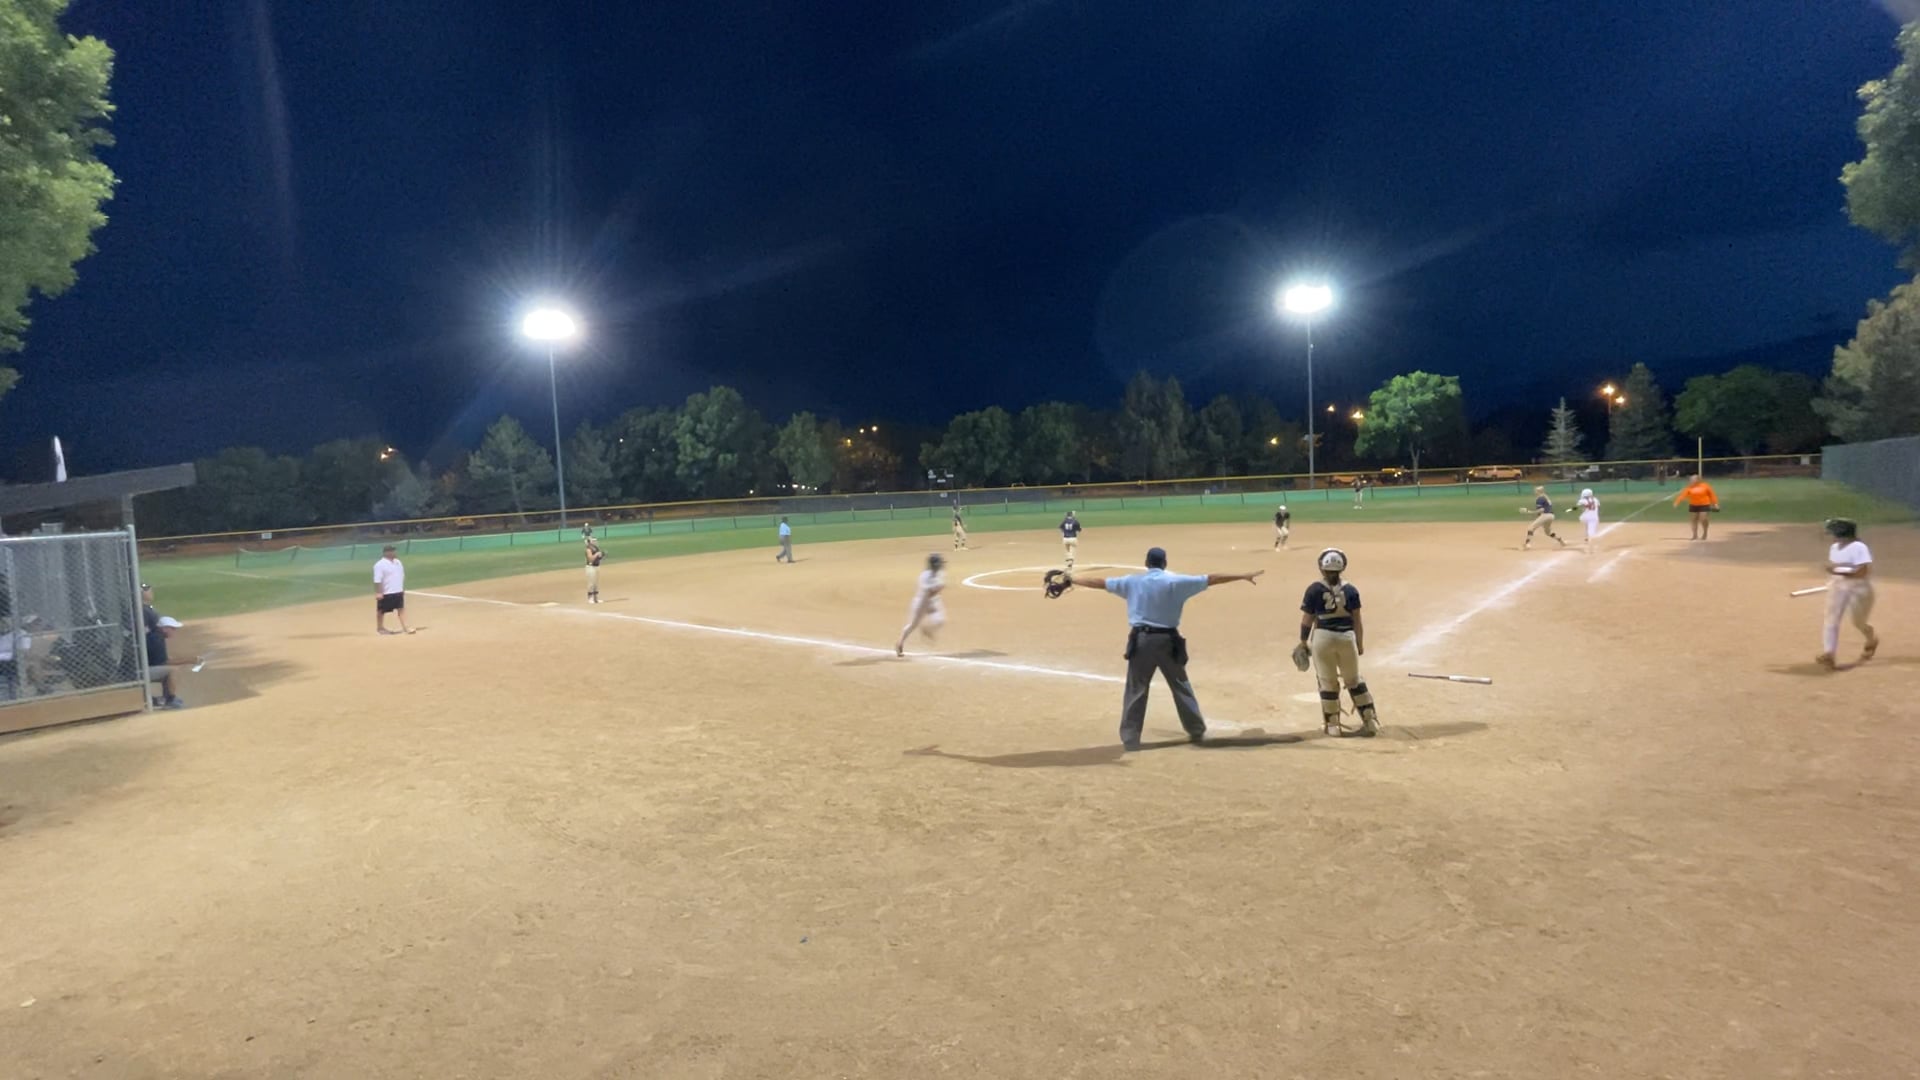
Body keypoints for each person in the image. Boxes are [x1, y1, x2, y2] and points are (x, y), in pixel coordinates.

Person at [1055, 548, 1263, 750]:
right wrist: (1242, 576)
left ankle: (1130, 738)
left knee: (1136, 689)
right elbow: (1212, 578)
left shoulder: (1132, 582)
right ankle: (1196, 730)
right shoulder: (1177, 582)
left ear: (1146, 563)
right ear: (1165, 563)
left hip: (1141, 641)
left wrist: (1072, 579)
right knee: (1180, 685)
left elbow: (1100, 583)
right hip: (1168, 641)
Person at [1298, 548, 1378, 737]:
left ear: (1321, 567)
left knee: (1327, 682)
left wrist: (1303, 641)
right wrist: (1359, 643)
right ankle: (1370, 721)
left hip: (1322, 638)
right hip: (1346, 638)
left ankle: (1333, 725)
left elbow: (1307, 620)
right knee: (1354, 680)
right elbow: (1357, 620)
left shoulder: (1314, 589)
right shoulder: (1350, 590)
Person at [1817, 518, 1879, 670]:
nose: (1831, 536)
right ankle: (1829, 654)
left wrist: (1840, 573)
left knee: (1858, 622)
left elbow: (1862, 572)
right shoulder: (1834, 547)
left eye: (1832, 532)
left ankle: (1871, 638)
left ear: (1841, 533)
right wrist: (1835, 576)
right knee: (1831, 619)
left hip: (1859, 589)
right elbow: (1839, 567)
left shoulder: (1859, 547)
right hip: (1838, 586)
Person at [140, 583, 187, 708]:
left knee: (168, 668)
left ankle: (165, 699)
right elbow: (164, 662)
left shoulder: (147, 611)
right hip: (141, 669)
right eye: (173, 628)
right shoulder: (155, 638)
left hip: (145, 664)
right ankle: (170, 700)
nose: (151, 592)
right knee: (171, 670)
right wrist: (191, 660)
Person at [895, 553, 948, 657]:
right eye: (939, 563)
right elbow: (930, 592)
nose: (941, 565)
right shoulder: (925, 576)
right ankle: (900, 642)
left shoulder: (940, 573)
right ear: (935, 564)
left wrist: (939, 588)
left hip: (933, 601)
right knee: (913, 624)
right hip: (921, 602)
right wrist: (938, 588)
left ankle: (927, 630)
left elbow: (936, 590)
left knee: (940, 620)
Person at [373, 545, 414, 634]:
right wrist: (379, 592)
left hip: (398, 591)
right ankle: (380, 628)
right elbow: (377, 580)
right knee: (381, 611)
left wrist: (402, 588)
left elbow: (401, 575)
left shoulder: (398, 562)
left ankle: (406, 627)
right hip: (387, 592)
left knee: (401, 609)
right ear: (387, 553)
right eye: (393, 551)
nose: (395, 553)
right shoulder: (379, 565)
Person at [1672, 474, 1720, 541]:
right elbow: (1682, 495)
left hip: (1704, 504)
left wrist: (1715, 504)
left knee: (1703, 519)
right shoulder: (1689, 487)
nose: (1690, 480)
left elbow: (1712, 495)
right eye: (1690, 479)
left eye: (1692, 479)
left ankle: (1705, 532)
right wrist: (1677, 502)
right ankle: (1695, 535)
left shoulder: (1705, 486)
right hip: (1693, 505)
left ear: (1697, 480)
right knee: (1693, 520)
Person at [1575, 488, 1601, 552]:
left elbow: (1576, 507)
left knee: (1586, 521)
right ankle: (1590, 546)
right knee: (1591, 533)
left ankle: (1586, 537)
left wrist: (1569, 510)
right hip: (1594, 518)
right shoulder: (1596, 500)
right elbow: (1598, 507)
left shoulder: (1582, 500)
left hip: (1584, 517)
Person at [584, 533, 604, 604]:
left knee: (596, 583)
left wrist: (601, 556)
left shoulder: (597, 548)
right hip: (591, 567)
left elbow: (598, 558)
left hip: (597, 566)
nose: (595, 541)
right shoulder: (588, 549)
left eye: (596, 540)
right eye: (594, 540)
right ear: (590, 542)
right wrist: (596, 554)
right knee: (591, 583)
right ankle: (590, 598)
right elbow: (590, 559)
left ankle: (596, 598)